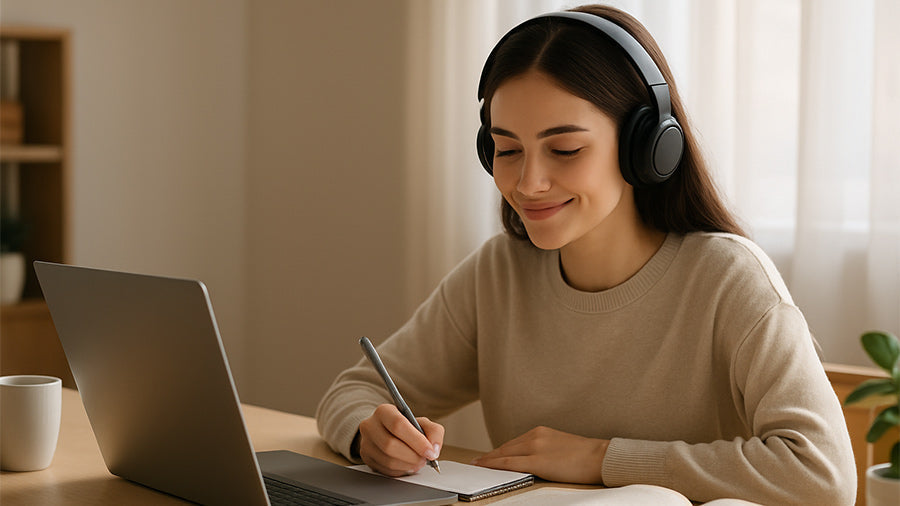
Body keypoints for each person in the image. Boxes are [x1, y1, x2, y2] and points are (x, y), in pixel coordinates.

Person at [316, 4, 856, 504]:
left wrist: (603, 458)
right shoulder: (498, 274)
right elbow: (354, 390)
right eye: (506, 150)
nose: (529, 182)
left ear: (646, 145)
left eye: (565, 149)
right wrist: (370, 436)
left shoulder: (728, 279)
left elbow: (822, 473)